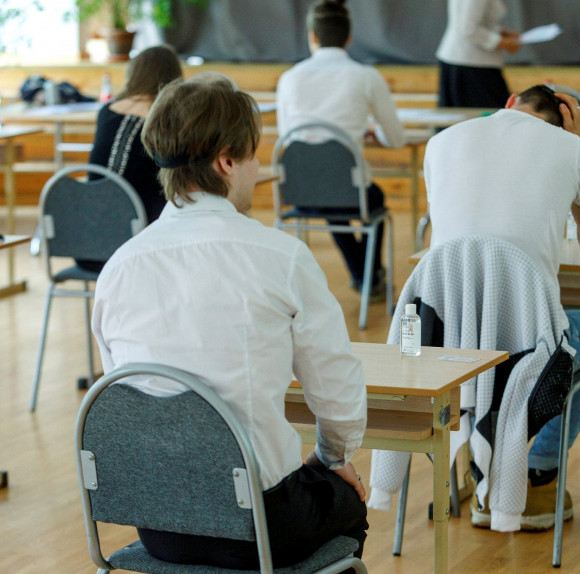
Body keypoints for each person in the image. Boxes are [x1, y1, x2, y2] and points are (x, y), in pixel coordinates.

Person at [91, 74, 368, 570]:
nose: (258, 168)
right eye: (253, 155)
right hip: (259, 523)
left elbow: (124, 396)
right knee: (346, 501)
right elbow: (337, 390)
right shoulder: (279, 256)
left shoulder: (119, 267)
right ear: (226, 161)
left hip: (159, 524)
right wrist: (331, 459)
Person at [385, 85, 580, 530]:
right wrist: (578, 147)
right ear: (566, 124)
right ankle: (537, 473)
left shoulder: (441, 143)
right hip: (526, 350)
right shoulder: (577, 151)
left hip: (444, 340)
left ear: (509, 102)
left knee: (494, 345)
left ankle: (475, 467)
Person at [276, 0, 405, 299]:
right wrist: (372, 131)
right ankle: (369, 276)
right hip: (348, 190)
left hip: (299, 190)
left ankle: (365, 277)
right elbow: (396, 139)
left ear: (312, 36)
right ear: (349, 37)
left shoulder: (289, 78)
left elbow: (288, 137)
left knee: (332, 199)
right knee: (370, 199)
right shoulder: (365, 76)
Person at [76, 45, 183, 273]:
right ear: (173, 77)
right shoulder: (166, 119)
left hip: (86, 243)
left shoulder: (106, 111)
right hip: (138, 249)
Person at [436, 0, 521, 108]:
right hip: (470, 65)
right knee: (490, 114)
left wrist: (500, 33)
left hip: (469, 62)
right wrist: (502, 42)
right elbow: (469, 29)